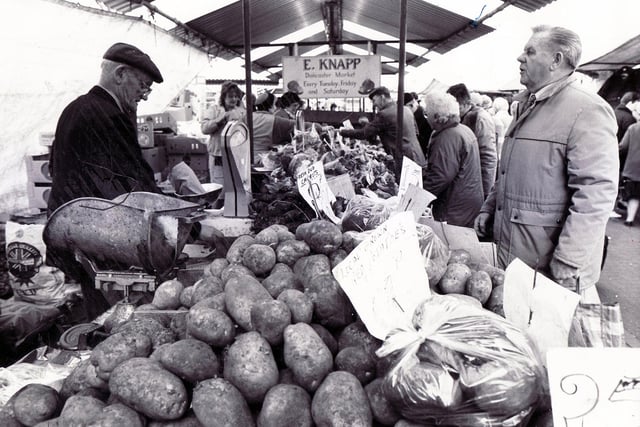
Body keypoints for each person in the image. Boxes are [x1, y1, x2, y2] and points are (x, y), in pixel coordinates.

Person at [474, 25, 619, 302]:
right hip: (520, 257)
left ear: (557, 60)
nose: (520, 58)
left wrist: (569, 258)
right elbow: (508, 170)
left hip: (550, 266)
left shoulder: (587, 109)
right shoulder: (526, 105)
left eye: (530, 51)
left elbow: (596, 192)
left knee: (548, 340)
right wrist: (489, 208)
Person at [46, 42, 164, 319]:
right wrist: (186, 227)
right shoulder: (109, 115)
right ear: (120, 74)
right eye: (143, 85)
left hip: (74, 234)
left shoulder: (76, 108)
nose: (144, 95)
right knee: (112, 319)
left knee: (97, 308)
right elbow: (134, 184)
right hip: (93, 239)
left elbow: (57, 169)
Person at [422, 91, 483, 227]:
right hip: (467, 203)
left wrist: (419, 198)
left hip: (454, 206)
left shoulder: (446, 137)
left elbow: (440, 176)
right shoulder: (463, 130)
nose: (426, 118)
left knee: (450, 244)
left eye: (427, 114)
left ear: (438, 117)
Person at [340, 86, 426, 167]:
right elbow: (416, 132)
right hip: (418, 157)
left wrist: (342, 131)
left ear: (382, 97)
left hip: (403, 161)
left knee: (404, 182)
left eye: (374, 100)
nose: (374, 104)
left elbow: (364, 133)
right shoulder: (406, 109)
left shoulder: (384, 114)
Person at [447, 83, 497, 199]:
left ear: (465, 104)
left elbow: (488, 157)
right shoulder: (465, 117)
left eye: (456, 107)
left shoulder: (480, 118)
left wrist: (485, 192)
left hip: (477, 184)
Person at [201, 81, 246, 191]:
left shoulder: (241, 112)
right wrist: (220, 120)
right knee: (218, 189)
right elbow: (204, 129)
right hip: (218, 156)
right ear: (223, 96)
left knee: (235, 189)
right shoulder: (214, 110)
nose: (234, 99)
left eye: (236, 96)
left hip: (235, 155)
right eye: (230, 96)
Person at [250, 91, 296, 164]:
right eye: (274, 105)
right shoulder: (272, 119)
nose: (275, 108)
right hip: (262, 161)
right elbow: (295, 125)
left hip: (246, 159)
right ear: (270, 106)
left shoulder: (247, 117)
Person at [619, 122, 640, 226]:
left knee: (634, 194)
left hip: (634, 166)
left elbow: (623, 146)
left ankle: (630, 219)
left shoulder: (633, 128)